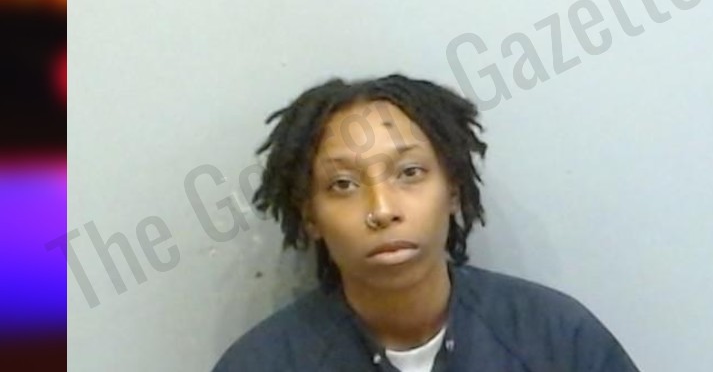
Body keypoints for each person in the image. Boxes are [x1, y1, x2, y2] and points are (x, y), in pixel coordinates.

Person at [213, 74, 640, 372]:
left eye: (409, 172)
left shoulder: (556, 339)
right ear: (310, 216)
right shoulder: (261, 364)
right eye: (343, 184)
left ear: (452, 189)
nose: (382, 209)